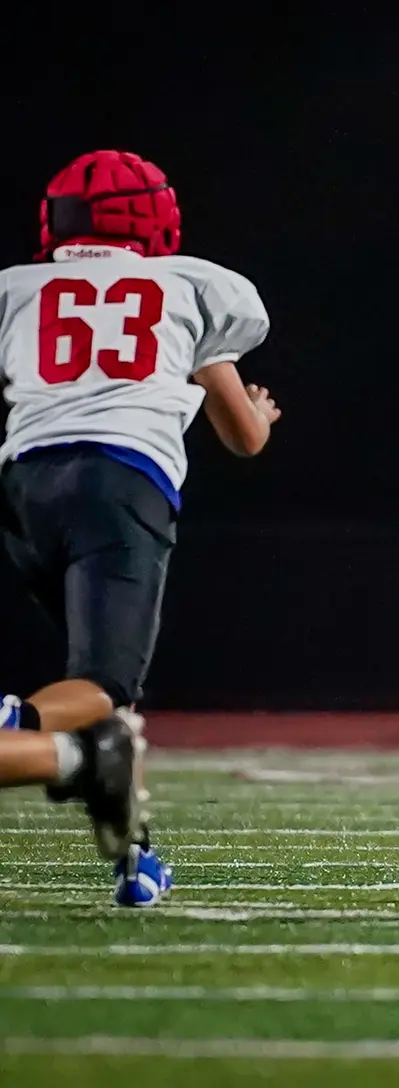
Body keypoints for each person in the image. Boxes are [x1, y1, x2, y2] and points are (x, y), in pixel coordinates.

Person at [1, 149, 277, 906]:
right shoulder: (193, 284)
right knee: (103, 683)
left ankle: (138, 857)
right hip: (121, 481)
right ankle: (14, 724)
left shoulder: (17, 289)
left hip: (23, 485)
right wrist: (264, 415)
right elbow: (244, 435)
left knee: (108, 700)